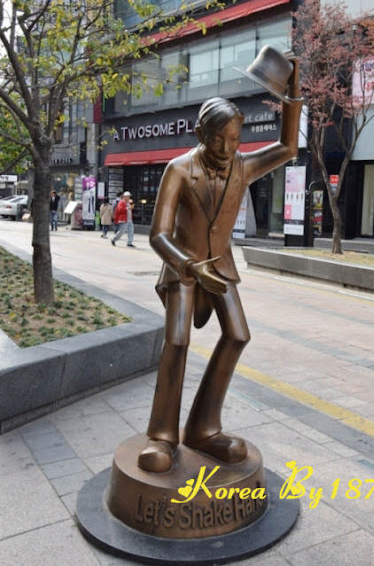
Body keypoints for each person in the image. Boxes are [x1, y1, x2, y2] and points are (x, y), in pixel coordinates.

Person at [138, 56, 303, 473]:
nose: (228, 149)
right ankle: (162, 436)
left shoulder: (242, 167)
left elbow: (288, 148)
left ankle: (204, 429)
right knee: (177, 342)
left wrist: (292, 95)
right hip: (183, 268)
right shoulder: (178, 170)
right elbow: (158, 234)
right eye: (219, 141)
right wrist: (188, 266)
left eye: (235, 140)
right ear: (201, 134)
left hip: (221, 267)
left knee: (238, 335)